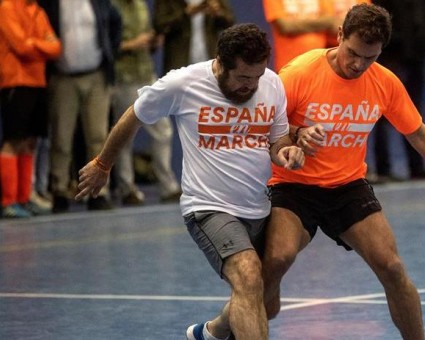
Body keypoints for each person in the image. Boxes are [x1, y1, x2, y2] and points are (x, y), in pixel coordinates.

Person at [265, 4, 425, 338]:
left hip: (347, 186)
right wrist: (295, 136)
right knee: (277, 260)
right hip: (293, 185)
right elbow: (267, 129)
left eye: (370, 58)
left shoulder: (384, 83)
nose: (358, 65)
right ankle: (223, 326)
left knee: (393, 267)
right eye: (352, 53)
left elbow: (419, 134)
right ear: (339, 35)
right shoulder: (297, 74)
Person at [75, 23, 304, 340]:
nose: (251, 86)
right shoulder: (183, 83)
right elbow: (135, 114)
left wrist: (286, 152)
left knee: (265, 302)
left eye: (256, 77)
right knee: (248, 277)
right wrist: (103, 164)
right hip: (208, 207)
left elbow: (277, 142)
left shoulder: (272, 83)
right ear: (221, 63)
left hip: (258, 204)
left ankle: (211, 332)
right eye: (242, 78)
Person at [40, 0, 122, 212]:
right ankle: (59, 191)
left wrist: (109, 54)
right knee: (61, 138)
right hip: (63, 77)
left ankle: (98, 192)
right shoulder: (50, 4)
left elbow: (115, 22)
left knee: (97, 137)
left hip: (96, 75)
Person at [110, 0, 182, 206]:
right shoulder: (112, 7)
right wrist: (134, 44)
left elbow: (148, 37)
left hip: (146, 74)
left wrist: (153, 42)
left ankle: (168, 186)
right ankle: (127, 189)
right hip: (123, 78)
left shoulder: (141, 6)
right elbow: (108, 44)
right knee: (124, 134)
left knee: (163, 131)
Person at [0, 0, 61, 218]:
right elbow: (20, 46)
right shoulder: (6, 7)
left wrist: (33, 44)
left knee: (30, 142)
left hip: (37, 82)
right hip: (15, 82)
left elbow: (56, 47)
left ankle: (24, 199)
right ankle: (8, 201)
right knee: (13, 140)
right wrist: (40, 45)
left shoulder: (37, 10)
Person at [370, 0, 425, 184]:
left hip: (416, 53)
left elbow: (423, 14)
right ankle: (383, 168)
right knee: (381, 113)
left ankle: (416, 166)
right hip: (392, 54)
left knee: (413, 112)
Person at [154, 0, 234, 74]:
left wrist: (218, 13)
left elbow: (230, 22)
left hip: (209, 60)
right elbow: (159, 25)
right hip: (178, 61)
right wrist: (185, 14)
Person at [262, 0, 337, 72]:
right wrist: (319, 24)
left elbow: (330, 21)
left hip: (319, 66)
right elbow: (285, 27)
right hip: (288, 67)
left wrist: (296, 24)